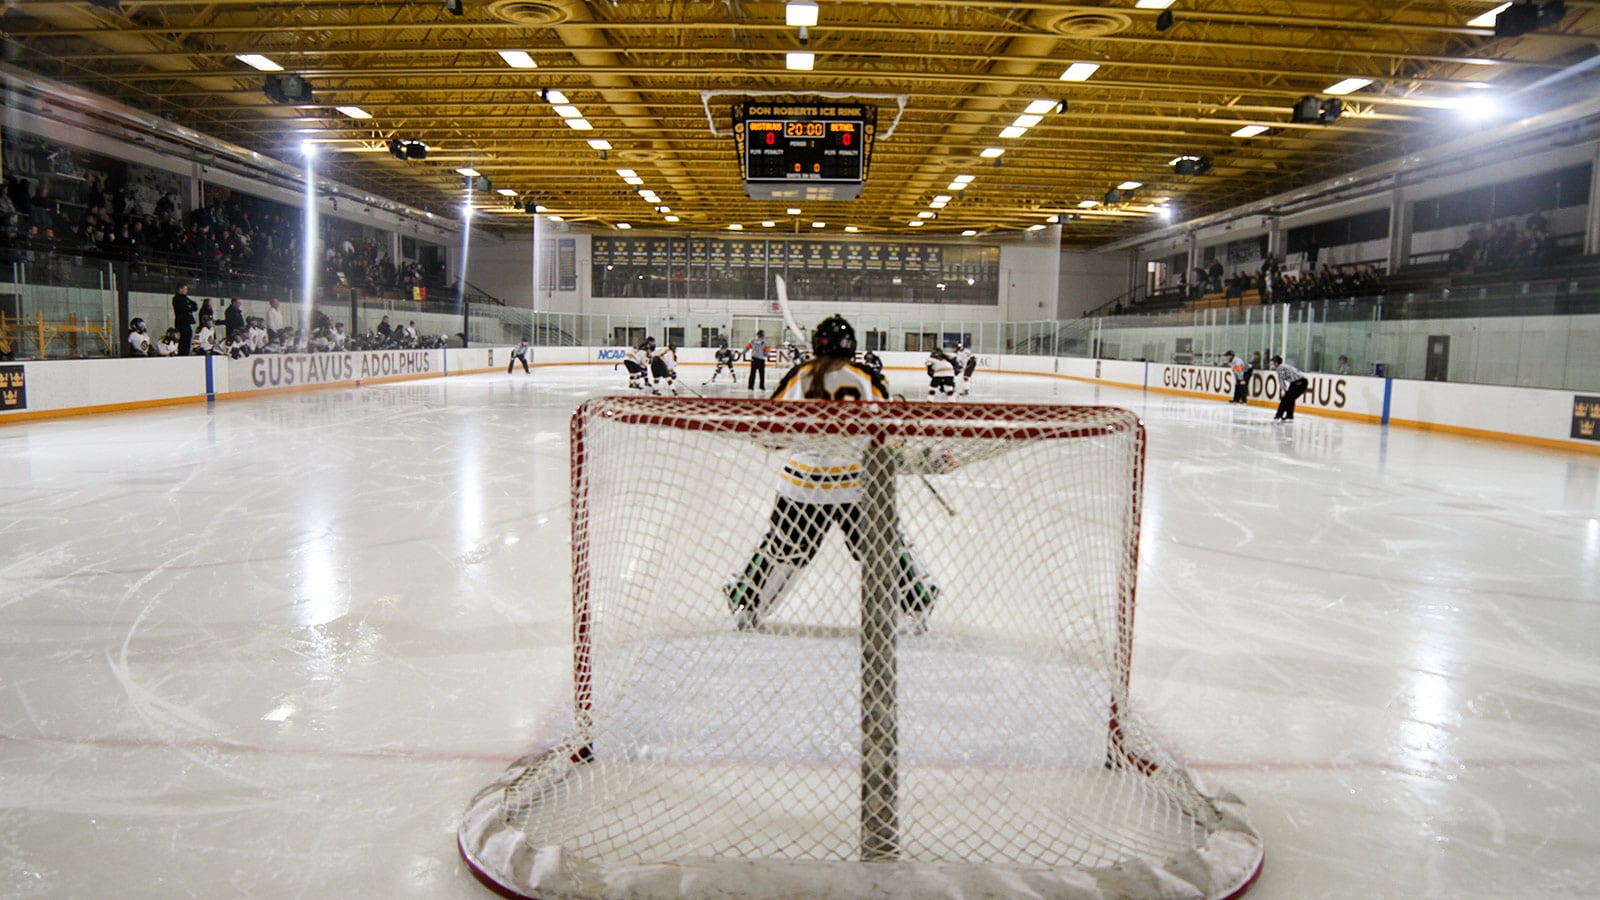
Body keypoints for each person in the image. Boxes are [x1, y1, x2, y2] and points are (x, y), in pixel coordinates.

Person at [723, 315, 942, 633]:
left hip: (801, 485)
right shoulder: (865, 376)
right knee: (884, 546)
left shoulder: (800, 375)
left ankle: (747, 604)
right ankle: (916, 604)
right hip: (855, 485)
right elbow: (889, 434)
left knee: (782, 549)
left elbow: (769, 433)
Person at [1271, 355, 1309, 422]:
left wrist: (1284, 391)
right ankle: (1289, 415)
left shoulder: (1280, 368)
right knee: (1290, 398)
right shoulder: (1283, 367)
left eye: (1273, 362)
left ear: (1276, 363)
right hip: (1298, 382)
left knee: (1286, 398)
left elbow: (1281, 381)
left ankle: (1279, 415)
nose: (1272, 364)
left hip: (1299, 382)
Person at [171, 283, 197, 356]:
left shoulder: (186, 298)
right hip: (181, 323)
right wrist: (189, 306)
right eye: (185, 289)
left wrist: (189, 306)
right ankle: (182, 354)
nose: (186, 291)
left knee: (187, 340)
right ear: (180, 289)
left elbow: (194, 306)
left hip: (187, 322)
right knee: (182, 341)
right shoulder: (177, 298)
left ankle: (186, 353)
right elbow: (183, 308)